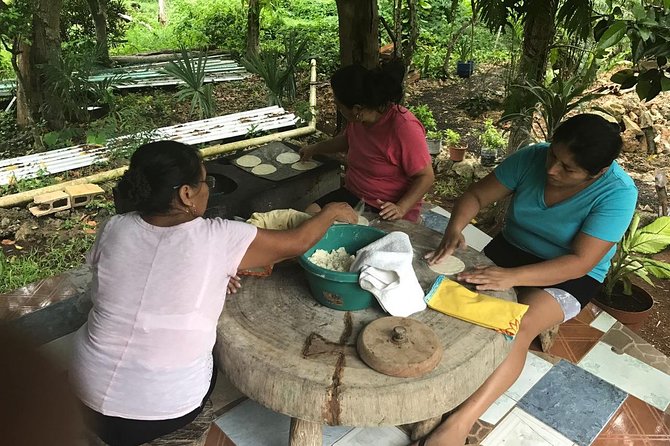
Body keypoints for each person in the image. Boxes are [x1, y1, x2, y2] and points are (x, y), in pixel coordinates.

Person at [70, 141, 357, 446]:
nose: (208, 188)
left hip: (82, 389)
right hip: (159, 411)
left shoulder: (115, 227)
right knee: (210, 362)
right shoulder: (218, 237)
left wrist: (215, 277)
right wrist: (330, 211)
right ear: (186, 194)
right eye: (206, 181)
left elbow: (140, 278)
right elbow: (297, 242)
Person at [420, 114, 637, 446]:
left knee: (516, 327)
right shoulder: (533, 157)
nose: (552, 169)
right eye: (554, 155)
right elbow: (475, 197)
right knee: (449, 300)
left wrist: (511, 278)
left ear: (598, 173)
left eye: (568, 169)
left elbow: (580, 262)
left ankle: (459, 423)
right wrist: (455, 227)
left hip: (569, 274)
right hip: (511, 250)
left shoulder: (617, 193)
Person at [300, 60, 435, 223]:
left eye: (339, 106)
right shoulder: (360, 120)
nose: (338, 109)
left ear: (357, 109)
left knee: (327, 231)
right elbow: (347, 141)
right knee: (308, 216)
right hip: (353, 194)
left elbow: (426, 176)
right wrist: (314, 148)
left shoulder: (404, 128)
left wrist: (401, 207)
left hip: (384, 208)